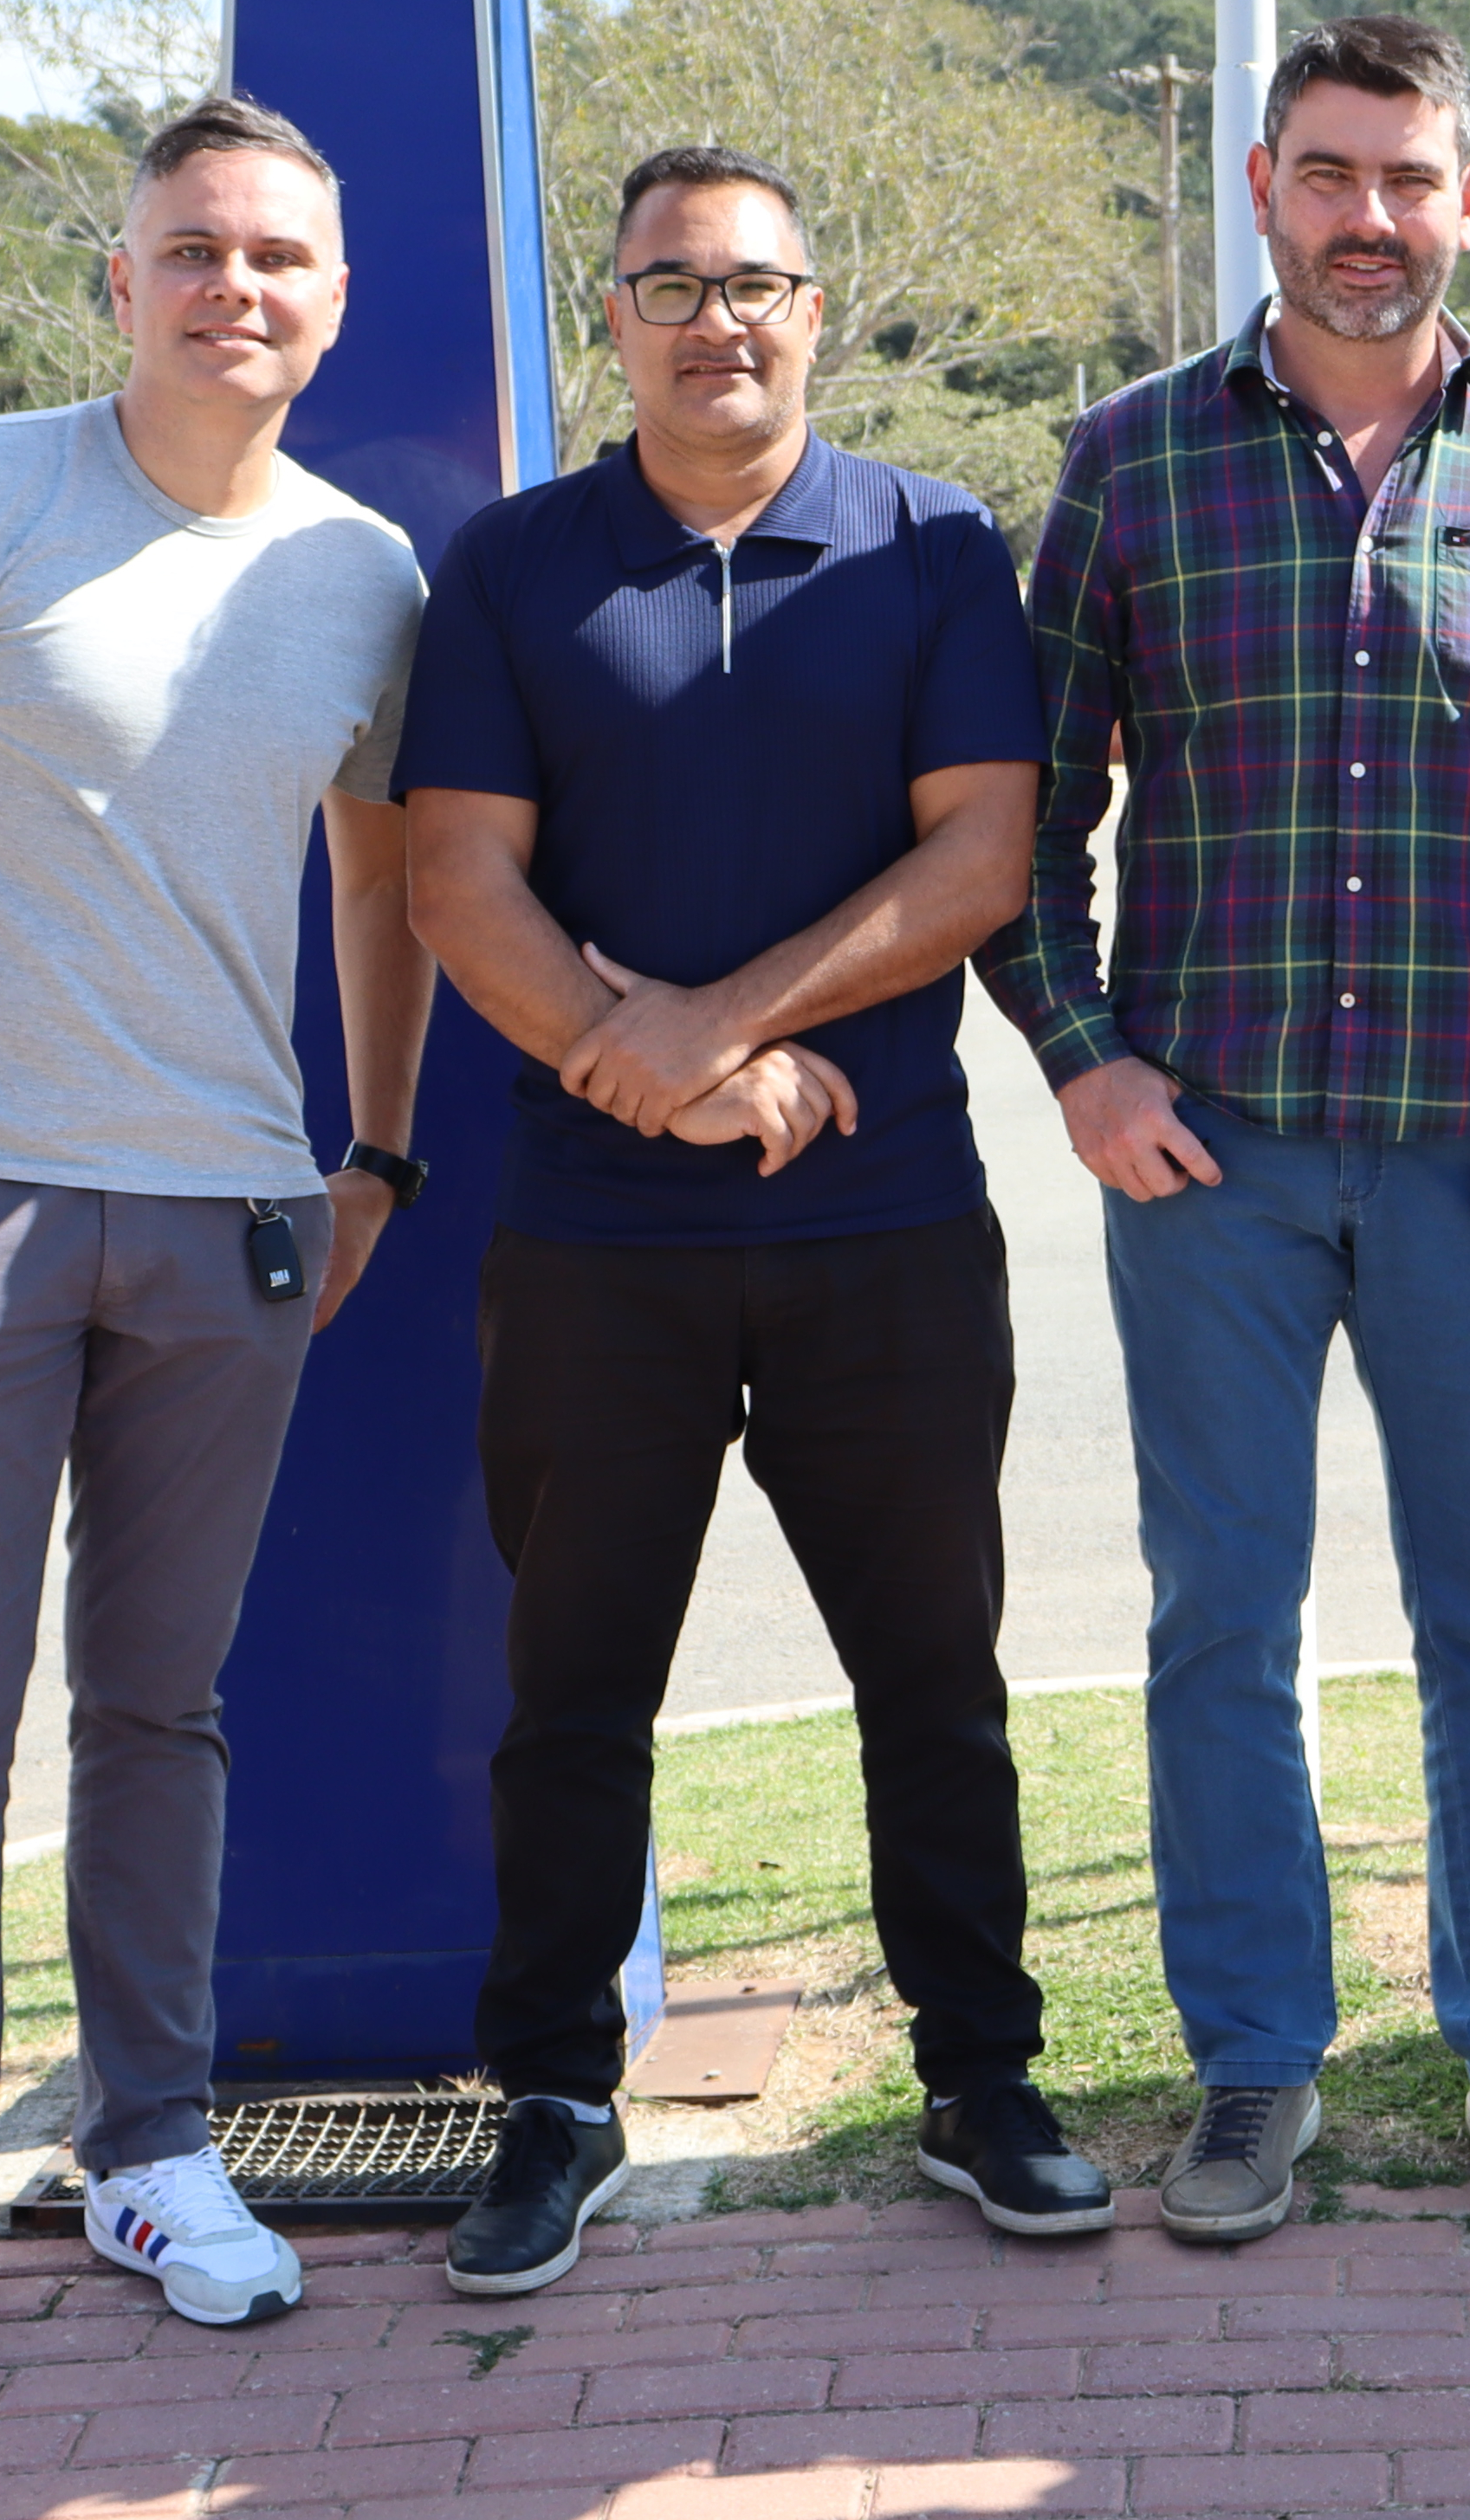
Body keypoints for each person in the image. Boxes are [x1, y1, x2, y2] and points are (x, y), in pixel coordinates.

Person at [0, 94, 434, 2406]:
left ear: (336, 306)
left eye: (284, 259)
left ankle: (151, 2148)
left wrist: (378, 1153)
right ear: (120, 280)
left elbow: (379, 879)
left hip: (231, 1220)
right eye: (197, 247)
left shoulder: (362, 575)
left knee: (163, 1711)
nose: (240, 285)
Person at [974, 18, 1470, 2246]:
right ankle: (1254, 2068)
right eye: (1332, 175)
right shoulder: (1134, 459)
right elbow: (1021, 811)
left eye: (1414, 180)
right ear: (1264, 183)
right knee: (1217, 1624)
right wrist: (1083, 1053)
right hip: (1218, 1158)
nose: (1372, 219)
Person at [399, 144, 1087, 2293]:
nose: (720, 318)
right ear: (612, 314)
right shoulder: (514, 566)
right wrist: (682, 1077)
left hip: (885, 1222)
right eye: (672, 283)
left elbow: (983, 860)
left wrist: (718, 1023)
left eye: (759, 282)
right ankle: (550, 2095)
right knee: (575, 1690)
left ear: (819, 311)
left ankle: (983, 2076)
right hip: (599, 1243)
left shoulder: (931, 546)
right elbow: (457, 886)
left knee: (932, 1680)